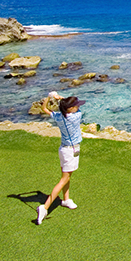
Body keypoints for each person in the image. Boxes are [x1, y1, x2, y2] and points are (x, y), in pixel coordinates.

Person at [37, 92, 85, 225]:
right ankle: (44, 207)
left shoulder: (59, 116)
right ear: (70, 109)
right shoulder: (75, 116)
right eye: (75, 106)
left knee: (67, 177)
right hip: (71, 151)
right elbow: (77, 110)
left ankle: (66, 200)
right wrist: (60, 98)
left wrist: (50, 97)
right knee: (64, 179)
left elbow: (44, 108)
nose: (77, 107)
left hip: (63, 149)